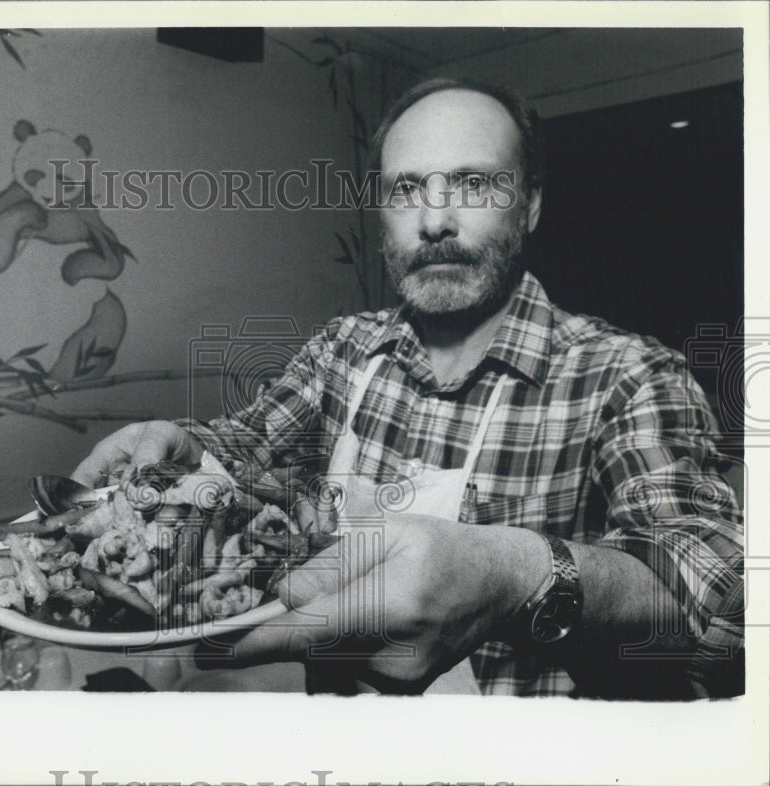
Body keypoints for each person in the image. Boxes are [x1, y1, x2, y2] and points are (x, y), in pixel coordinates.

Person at [73, 77, 743, 699]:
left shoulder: (628, 376)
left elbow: (718, 611)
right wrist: (179, 446)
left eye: (473, 184)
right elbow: (243, 446)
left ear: (531, 205)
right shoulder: (342, 351)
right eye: (405, 189)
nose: (433, 221)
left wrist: (518, 576)